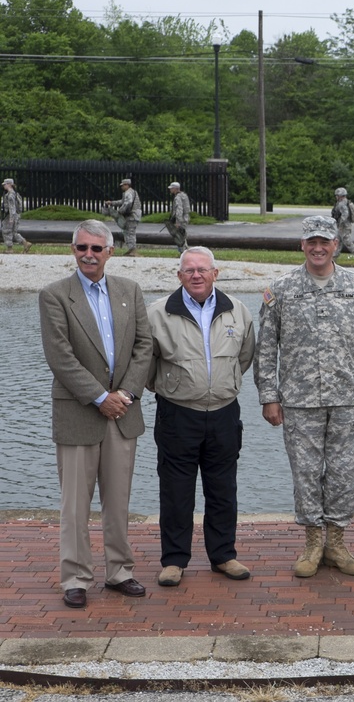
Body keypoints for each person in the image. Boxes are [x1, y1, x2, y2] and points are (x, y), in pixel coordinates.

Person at [254, 216, 354, 578]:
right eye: (311, 241)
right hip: (299, 399)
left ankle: (337, 543)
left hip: (347, 398)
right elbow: (266, 348)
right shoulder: (281, 289)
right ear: (302, 245)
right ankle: (313, 542)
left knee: (344, 473)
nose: (318, 247)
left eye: (324, 242)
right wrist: (269, 395)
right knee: (306, 473)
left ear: (335, 245)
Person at [38, 219, 153, 609]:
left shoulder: (130, 291)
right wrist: (100, 396)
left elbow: (144, 347)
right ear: (73, 250)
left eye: (96, 248)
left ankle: (119, 571)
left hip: (123, 413)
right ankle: (75, 577)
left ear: (110, 252)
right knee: (75, 505)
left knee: (118, 501)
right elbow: (60, 358)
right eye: (82, 247)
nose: (89, 254)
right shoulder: (55, 295)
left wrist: (127, 393)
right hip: (78, 413)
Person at [147, 247, 256, 586]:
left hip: (224, 413)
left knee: (223, 489)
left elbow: (245, 356)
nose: (196, 275)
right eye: (189, 270)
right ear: (179, 275)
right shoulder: (158, 313)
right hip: (178, 414)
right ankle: (174, 560)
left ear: (215, 273)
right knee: (176, 491)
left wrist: (222, 385)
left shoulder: (237, 311)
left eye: (202, 269)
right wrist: (177, 386)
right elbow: (146, 365)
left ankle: (224, 555)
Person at [104, 178, 142, 257]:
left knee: (129, 232)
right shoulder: (132, 192)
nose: (121, 187)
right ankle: (131, 249)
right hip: (134, 215)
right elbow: (122, 201)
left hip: (132, 215)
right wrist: (112, 203)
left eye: (123, 185)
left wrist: (120, 212)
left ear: (127, 185)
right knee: (129, 232)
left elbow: (127, 203)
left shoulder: (128, 193)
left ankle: (132, 250)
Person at [331, 187, 354, 263]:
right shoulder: (345, 202)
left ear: (340, 196)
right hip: (343, 226)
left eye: (337, 195)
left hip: (344, 227)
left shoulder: (342, 204)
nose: (336, 197)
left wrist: (340, 223)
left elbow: (345, 214)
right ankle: (333, 260)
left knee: (348, 243)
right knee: (337, 242)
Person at [2, 178, 31, 254]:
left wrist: (11, 218)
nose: (4, 186)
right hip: (16, 215)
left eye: (5, 184)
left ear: (9, 184)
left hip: (11, 215)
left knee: (6, 231)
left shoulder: (10, 195)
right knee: (13, 233)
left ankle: (9, 248)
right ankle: (25, 243)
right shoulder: (15, 193)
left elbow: (12, 207)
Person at [166, 182, 191, 253]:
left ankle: (183, 253)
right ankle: (185, 251)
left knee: (179, 237)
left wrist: (178, 222)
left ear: (175, 189)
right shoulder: (184, 195)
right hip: (185, 218)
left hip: (181, 219)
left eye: (171, 188)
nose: (170, 190)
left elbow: (179, 209)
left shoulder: (178, 197)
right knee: (183, 236)